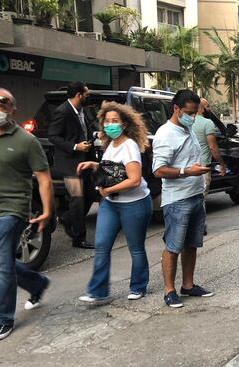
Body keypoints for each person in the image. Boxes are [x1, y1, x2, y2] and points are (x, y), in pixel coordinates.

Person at [0, 88, 53, 342]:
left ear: (13, 110)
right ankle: (37, 284)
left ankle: (2, 320)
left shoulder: (26, 141)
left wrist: (47, 211)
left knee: (2, 265)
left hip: (12, 210)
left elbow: (44, 179)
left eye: (2, 104)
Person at [76, 102, 152, 303]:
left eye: (115, 121)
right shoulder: (110, 145)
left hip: (134, 203)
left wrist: (107, 190)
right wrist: (94, 165)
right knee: (101, 245)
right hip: (110, 203)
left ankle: (139, 286)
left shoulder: (129, 146)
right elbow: (111, 169)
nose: (110, 125)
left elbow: (133, 180)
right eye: (107, 121)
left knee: (135, 247)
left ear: (124, 124)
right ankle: (98, 291)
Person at [152, 89, 213, 309]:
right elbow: (158, 170)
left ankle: (188, 285)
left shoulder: (187, 129)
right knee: (173, 246)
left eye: (195, 112)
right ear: (176, 109)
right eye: (189, 112)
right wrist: (186, 171)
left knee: (191, 244)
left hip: (196, 195)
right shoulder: (166, 134)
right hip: (177, 199)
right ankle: (169, 290)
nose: (193, 116)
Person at [48, 81, 95, 249]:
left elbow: (84, 131)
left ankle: (67, 218)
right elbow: (53, 136)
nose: (89, 97)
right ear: (78, 95)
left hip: (84, 162)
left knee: (89, 195)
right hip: (70, 164)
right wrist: (75, 146)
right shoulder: (62, 111)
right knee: (77, 199)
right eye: (87, 94)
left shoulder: (82, 111)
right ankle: (79, 238)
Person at [192, 98, 226, 196]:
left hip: (187, 168)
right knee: (200, 200)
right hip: (202, 168)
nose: (209, 109)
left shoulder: (187, 123)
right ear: (202, 109)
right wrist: (222, 164)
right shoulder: (207, 123)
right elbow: (212, 147)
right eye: (207, 106)